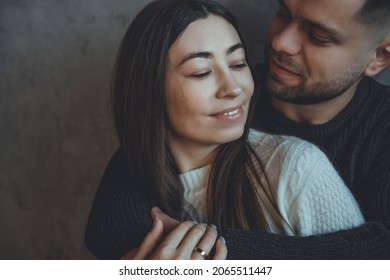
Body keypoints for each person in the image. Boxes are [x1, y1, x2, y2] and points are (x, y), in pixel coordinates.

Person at [85, 0, 366, 260]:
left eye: (238, 63)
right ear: (149, 90)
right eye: (201, 72)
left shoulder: (297, 168)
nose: (233, 88)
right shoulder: (133, 177)